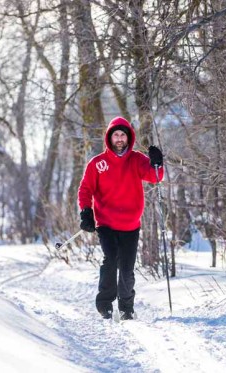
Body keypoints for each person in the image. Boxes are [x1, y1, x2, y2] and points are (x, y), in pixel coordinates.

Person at [78, 116, 164, 320]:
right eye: (115, 134)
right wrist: (86, 212)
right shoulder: (98, 163)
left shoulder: (137, 160)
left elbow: (155, 177)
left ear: (128, 137)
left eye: (122, 135)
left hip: (131, 225)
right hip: (106, 222)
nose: (119, 138)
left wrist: (158, 162)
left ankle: (126, 307)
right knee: (110, 260)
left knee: (126, 268)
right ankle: (105, 304)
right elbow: (85, 189)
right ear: (109, 137)